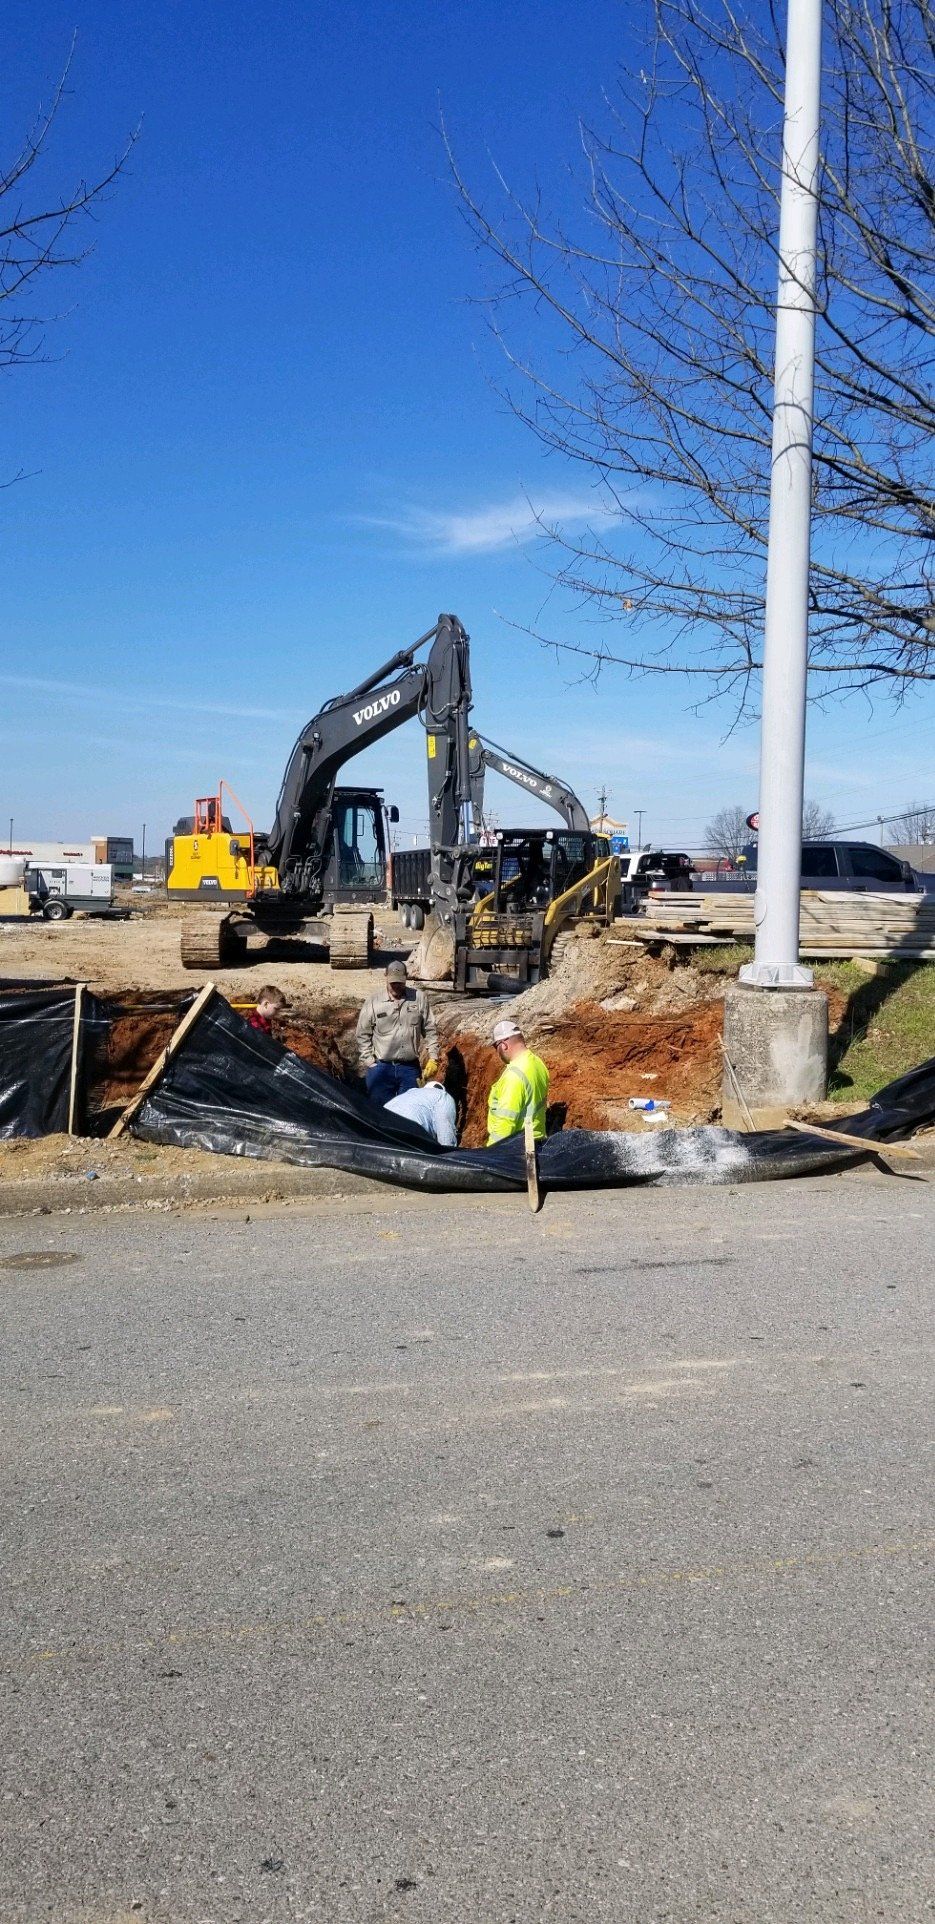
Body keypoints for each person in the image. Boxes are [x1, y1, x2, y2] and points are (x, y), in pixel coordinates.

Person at [356, 961, 439, 1104]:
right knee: (380, 1113)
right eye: (392, 983)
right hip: (381, 1069)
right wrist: (369, 1061)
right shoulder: (373, 1001)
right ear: (386, 977)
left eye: (399, 983)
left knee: (409, 1112)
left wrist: (433, 1057)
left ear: (406, 978)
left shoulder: (419, 998)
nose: (396, 986)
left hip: (409, 1069)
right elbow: (362, 1033)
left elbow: (430, 1029)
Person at [486, 1018, 549, 1146]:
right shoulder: (538, 1063)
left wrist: (491, 1154)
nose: (497, 1052)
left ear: (503, 1045)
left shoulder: (514, 1076)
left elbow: (506, 1121)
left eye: (495, 1047)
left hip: (515, 1148)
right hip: (536, 1142)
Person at [383, 1054, 458, 1147]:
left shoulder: (410, 1093)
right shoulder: (443, 1096)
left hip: (381, 1131)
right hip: (409, 1134)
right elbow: (446, 1138)